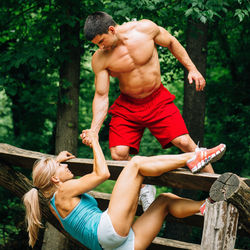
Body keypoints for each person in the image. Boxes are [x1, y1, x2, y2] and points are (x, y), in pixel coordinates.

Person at [82, 11, 213, 210]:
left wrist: (192, 69)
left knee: (184, 142)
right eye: (96, 45)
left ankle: (217, 187)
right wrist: (93, 130)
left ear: (111, 29)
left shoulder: (144, 30)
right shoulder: (100, 59)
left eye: (101, 41)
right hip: (128, 105)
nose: (100, 47)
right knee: (119, 153)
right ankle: (144, 186)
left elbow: (171, 42)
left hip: (157, 99)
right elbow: (101, 95)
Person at [23, 130, 226, 249]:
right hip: (107, 231)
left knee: (164, 201)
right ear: (55, 178)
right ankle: (193, 157)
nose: (67, 166)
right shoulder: (63, 191)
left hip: (112, 245)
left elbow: (53, 180)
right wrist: (94, 142)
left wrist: (56, 161)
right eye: (61, 167)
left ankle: (205, 207)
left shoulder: (53, 202)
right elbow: (102, 174)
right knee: (136, 163)